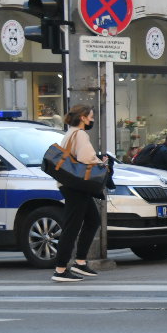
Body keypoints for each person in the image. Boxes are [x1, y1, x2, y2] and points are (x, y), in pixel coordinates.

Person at [50, 104, 108, 282]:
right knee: (72, 227)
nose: (92, 120)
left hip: (72, 184)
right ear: (83, 118)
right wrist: (102, 162)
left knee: (92, 220)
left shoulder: (70, 132)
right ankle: (60, 269)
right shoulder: (80, 134)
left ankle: (80, 262)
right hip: (76, 187)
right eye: (91, 117)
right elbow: (86, 158)